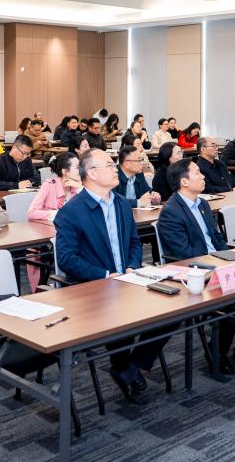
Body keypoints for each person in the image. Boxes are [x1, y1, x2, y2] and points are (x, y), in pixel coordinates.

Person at [55, 149, 168, 402]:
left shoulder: (121, 203)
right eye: (108, 165)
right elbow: (67, 259)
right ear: (92, 173)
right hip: (94, 286)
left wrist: (132, 266)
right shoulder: (71, 212)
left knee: (172, 309)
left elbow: (134, 242)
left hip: (127, 278)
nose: (115, 168)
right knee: (119, 313)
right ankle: (123, 366)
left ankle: (130, 366)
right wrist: (106, 275)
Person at [158, 158, 235, 369]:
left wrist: (229, 256)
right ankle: (217, 352)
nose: (203, 176)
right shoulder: (171, 211)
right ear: (184, 181)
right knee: (234, 297)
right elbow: (183, 254)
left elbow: (216, 237)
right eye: (197, 173)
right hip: (196, 271)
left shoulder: (202, 203)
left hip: (218, 262)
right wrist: (217, 262)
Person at [26, 152, 82, 290]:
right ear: (65, 171)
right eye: (77, 167)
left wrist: (80, 188)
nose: (81, 170)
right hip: (49, 234)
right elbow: (31, 212)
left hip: (71, 233)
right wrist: (55, 213)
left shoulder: (78, 186)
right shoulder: (49, 185)